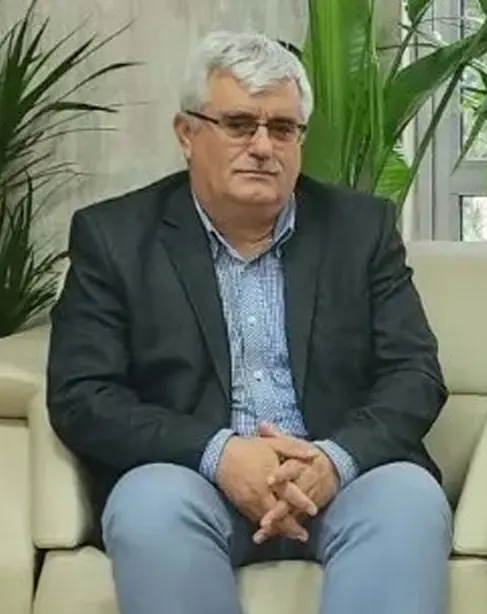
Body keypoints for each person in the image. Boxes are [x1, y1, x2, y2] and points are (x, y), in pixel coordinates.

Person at [46, 30, 452, 614]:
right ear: (187, 134)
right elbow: (82, 394)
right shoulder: (114, 237)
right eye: (238, 124)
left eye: (282, 128)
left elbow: (415, 374)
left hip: (340, 478)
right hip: (192, 478)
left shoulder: (361, 230)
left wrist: (332, 461)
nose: (263, 147)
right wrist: (220, 454)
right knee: (149, 507)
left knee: (409, 501)